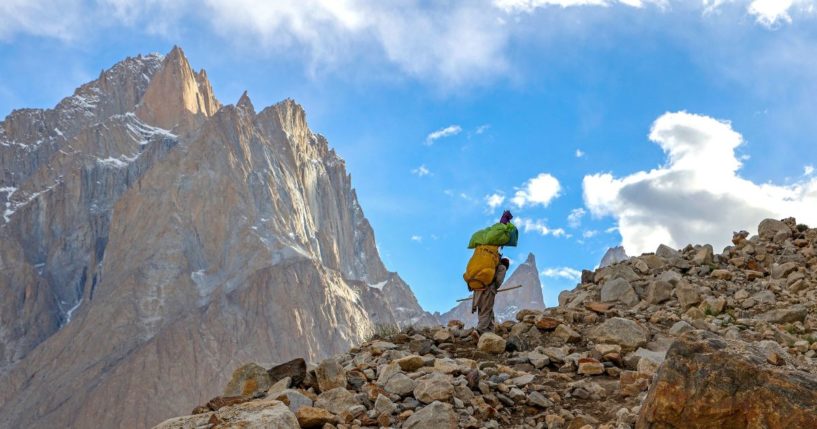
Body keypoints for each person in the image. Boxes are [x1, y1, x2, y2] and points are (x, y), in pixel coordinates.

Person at [472, 257, 510, 335]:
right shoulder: (502, 268)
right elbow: (498, 281)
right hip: (488, 290)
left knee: (483, 310)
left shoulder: (490, 267)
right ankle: (479, 330)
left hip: (478, 290)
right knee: (486, 311)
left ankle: (490, 332)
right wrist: (494, 287)